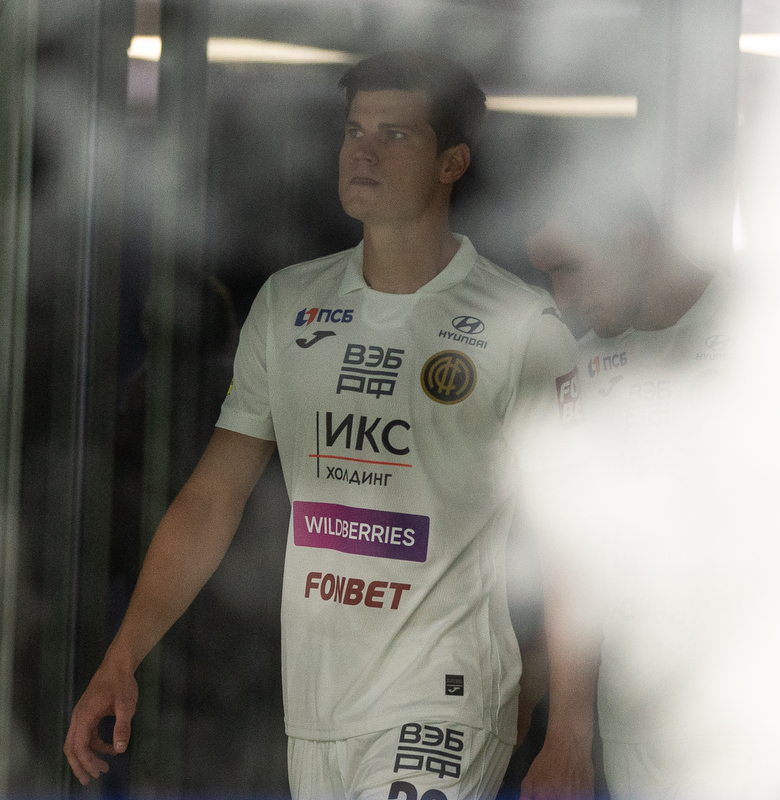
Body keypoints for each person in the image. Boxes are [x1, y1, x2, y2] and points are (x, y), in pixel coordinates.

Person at [63, 50, 578, 800]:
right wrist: (121, 657)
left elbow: (578, 541)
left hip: (444, 701)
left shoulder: (521, 326)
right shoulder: (288, 304)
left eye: (395, 134)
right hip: (315, 711)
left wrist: (568, 733)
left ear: (452, 163)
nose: (363, 151)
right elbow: (211, 499)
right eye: (353, 130)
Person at [518, 164, 738, 800]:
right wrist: (567, 730)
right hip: (637, 723)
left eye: (572, 268)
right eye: (549, 275)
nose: (562, 299)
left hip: (764, 713)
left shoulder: (771, 329)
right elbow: (577, 553)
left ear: (635, 240)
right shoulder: (586, 365)